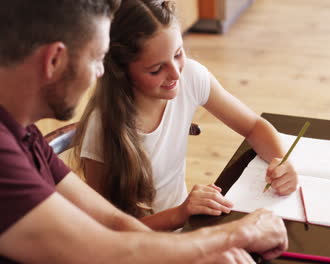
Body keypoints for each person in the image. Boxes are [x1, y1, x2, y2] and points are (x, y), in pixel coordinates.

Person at [0, 1, 288, 263]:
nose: (102, 73)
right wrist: (236, 236)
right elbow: (106, 250)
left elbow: (117, 224)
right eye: (97, 58)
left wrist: (200, 253)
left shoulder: (25, 135)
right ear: (54, 61)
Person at [73, 0, 299, 230]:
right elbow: (105, 231)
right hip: (140, 245)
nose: (175, 73)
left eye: (178, 53)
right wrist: (179, 214)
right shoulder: (102, 129)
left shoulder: (190, 76)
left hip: (184, 227)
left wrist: (281, 161)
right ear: (122, 72)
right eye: (156, 69)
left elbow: (253, 126)